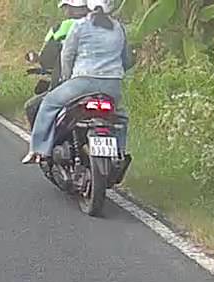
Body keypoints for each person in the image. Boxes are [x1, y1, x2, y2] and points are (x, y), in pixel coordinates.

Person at [22, 0, 133, 163]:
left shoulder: (80, 26)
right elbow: (127, 59)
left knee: (49, 103)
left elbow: (67, 55)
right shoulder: (118, 28)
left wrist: (66, 78)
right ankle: (119, 153)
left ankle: (38, 150)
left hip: (82, 83)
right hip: (112, 86)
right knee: (120, 118)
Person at [24, 0, 90, 126]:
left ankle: (41, 139)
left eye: (65, 7)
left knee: (32, 107)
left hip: (70, 85)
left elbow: (47, 59)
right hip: (106, 87)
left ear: (69, 8)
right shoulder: (106, 28)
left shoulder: (61, 28)